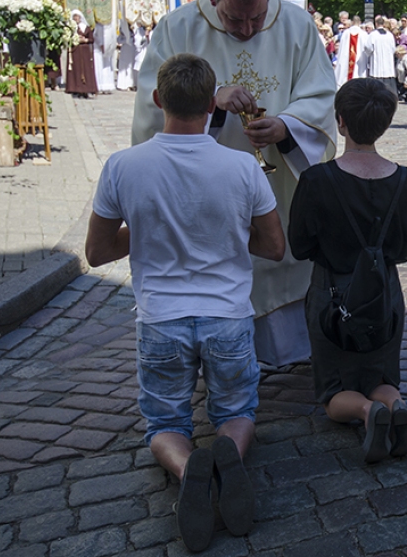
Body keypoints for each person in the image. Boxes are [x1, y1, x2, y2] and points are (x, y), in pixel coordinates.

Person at [87, 54, 285, 551]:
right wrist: (226, 234)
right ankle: (226, 455)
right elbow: (274, 247)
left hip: (161, 318)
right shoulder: (242, 166)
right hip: (227, 315)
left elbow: (97, 251)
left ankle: (185, 465)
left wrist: (150, 227)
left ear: (158, 100)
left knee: (166, 422)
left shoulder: (123, 166)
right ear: (211, 102)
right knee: (237, 411)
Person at [130, 0, 337, 368]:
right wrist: (213, 99)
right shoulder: (178, 28)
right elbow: (154, 100)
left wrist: (286, 126)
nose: (245, 30)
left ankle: (281, 352)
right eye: (233, 19)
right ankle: (213, 358)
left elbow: (320, 94)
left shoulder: (296, 26)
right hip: (202, 180)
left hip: (277, 178)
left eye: (256, 19)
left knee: (276, 256)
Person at [289, 79, 407, 463]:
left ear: (341, 121)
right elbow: (401, 249)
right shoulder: (406, 180)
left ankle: (366, 412)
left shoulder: (316, 180)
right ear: (385, 123)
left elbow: (300, 247)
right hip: (385, 293)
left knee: (333, 392)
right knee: (381, 377)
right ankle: (392, 406)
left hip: (332, 293)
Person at [67, 10, 98, 98]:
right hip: (75, 51)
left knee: (85, 69)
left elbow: (91, 39)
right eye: (74, 17)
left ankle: (86, 89)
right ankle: (76, 89)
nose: (76, 18)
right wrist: (74, 40)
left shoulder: (86, 27)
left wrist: (85, 40)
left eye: (77, 16)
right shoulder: (70, 28)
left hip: (85, 52)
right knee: (76, 69)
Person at [364, 15, 398, 97]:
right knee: (388, 76)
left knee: (377, 75)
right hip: (388, 63)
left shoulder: (373, 35)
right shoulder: (390, 35)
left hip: (377, 62)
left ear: (376, 24)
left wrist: (369, 54)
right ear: (384, 24)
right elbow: (393, 48)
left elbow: (368, 47)